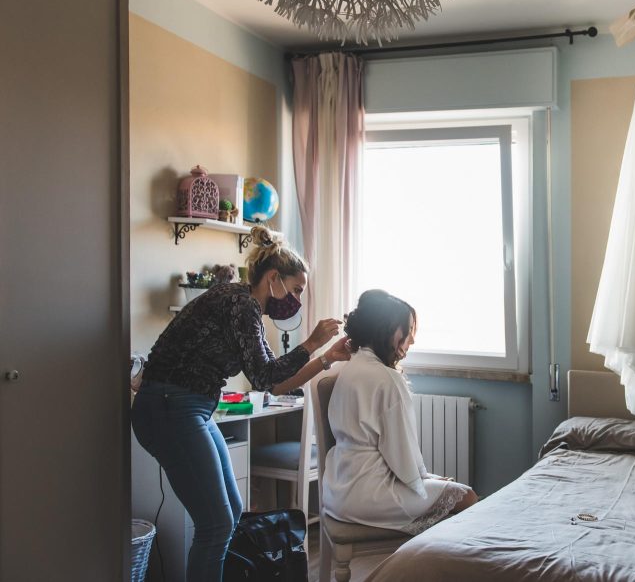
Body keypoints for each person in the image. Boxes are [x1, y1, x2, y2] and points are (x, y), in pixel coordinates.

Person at [131, 225, 352, 582]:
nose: (296, 300)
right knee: (216, 523)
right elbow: (266, 377)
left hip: (191, 409)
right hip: (170, 407)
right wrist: (311, 343)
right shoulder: (239, 302)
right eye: (296, 290)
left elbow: (276, 383)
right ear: (274, 279)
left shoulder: (246, 308)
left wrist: (328, 357)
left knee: (230, 512)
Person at [322, 289, 478, 534]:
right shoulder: (387, 379)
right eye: (407, 331)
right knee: (465, 496)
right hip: (369, 495)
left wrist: (429, 480)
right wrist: (427, 479)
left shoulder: (350, 368)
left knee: (444, 487)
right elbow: (402, 456)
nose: (411, 340)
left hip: (337, 489)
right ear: (388, 330)